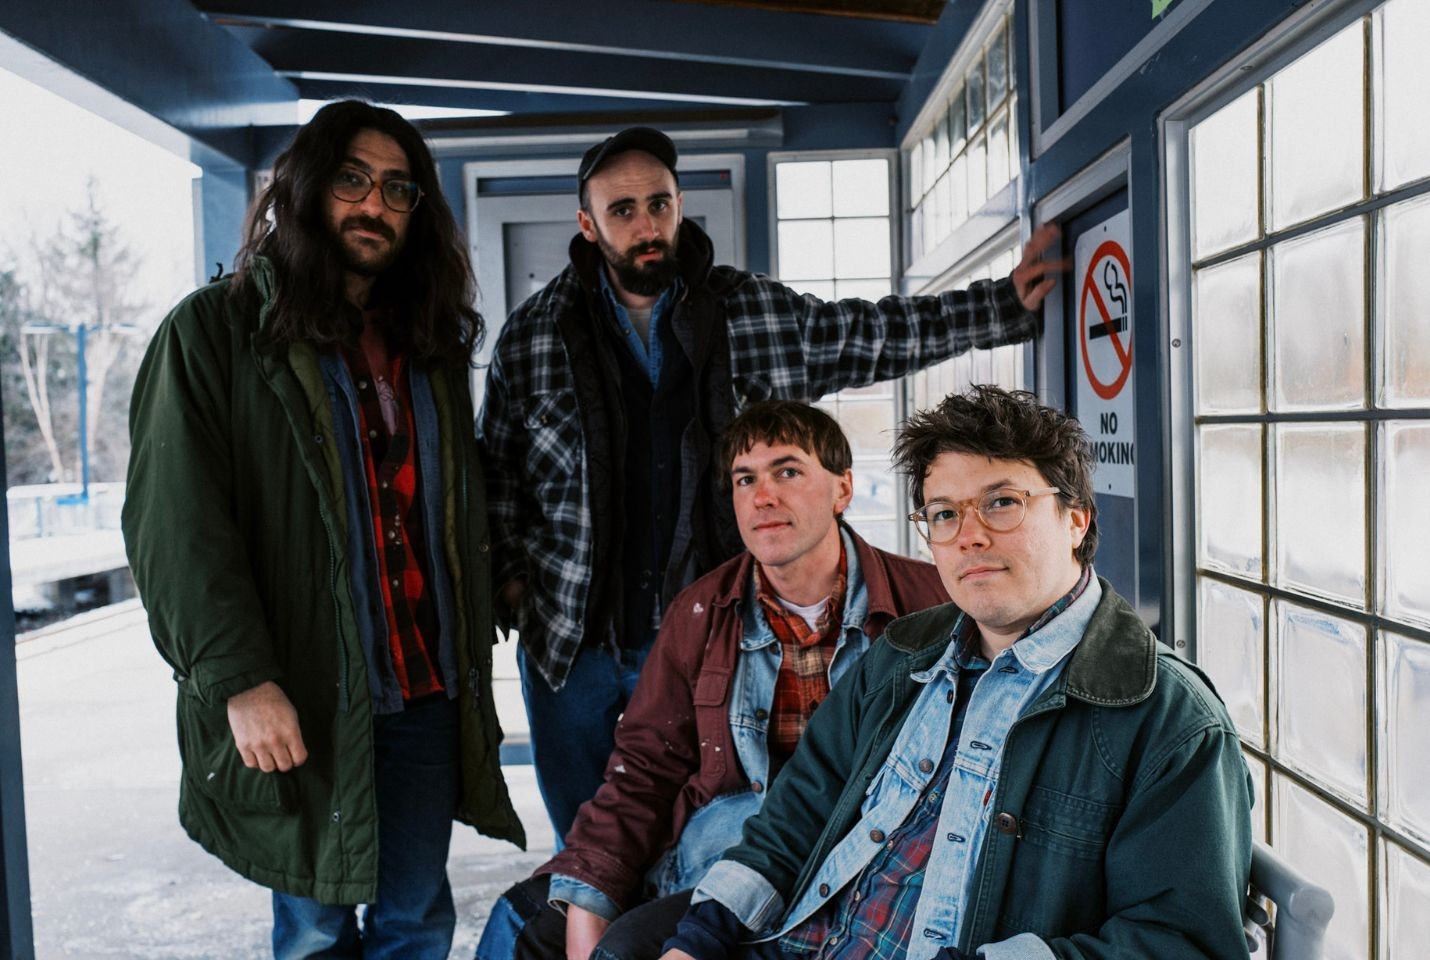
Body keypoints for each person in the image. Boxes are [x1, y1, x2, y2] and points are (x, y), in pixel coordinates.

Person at [479, 125, 1067, 840]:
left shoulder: (752, 310)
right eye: (622, 210)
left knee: (701, 830)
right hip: (573, 643)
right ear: (587, 223)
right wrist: (511, 584)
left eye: (658, 204)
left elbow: (872, 333)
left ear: (679, 204)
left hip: (714, 637)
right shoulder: (531, 336)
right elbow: (499, 473)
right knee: (585, 839)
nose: (646, 225)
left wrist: (1002, 304)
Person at [122, 99, 523, 959]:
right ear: (304, 188)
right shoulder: (214, 332)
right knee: (313, 929)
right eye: (352, 180)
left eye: (397, 189)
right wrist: (240, 681)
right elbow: (176, 530)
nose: (373, 205)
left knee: (417, 920)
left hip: (423, 690)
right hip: (303, 691)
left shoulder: (430, 346)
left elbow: (452, 509)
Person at [659, 385, 1254, 960]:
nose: (968, 536)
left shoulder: (1166, 718)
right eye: (943, 514)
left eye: (1001, 503)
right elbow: (797, 810)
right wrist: (703, 933)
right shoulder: (900, 656)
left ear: (1076, 517)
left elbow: (1181, 942)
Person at [476, 401, 950, 960]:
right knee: (523, 924)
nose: (763, 496)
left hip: (851, 865)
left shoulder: (930, 602)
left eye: (788, 471)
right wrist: (592, 888)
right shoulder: (702, 611)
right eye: (745, 479)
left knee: (626, 949)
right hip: (721, 855)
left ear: (842, 490)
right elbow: (644, 768)